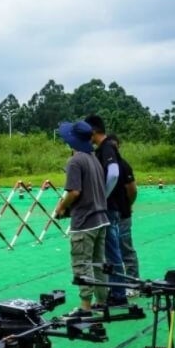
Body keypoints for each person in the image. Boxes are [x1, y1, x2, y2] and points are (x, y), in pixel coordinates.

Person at [54, 121, 110, 313]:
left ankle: (85, 306)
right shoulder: (93, 158)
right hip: (101, 218)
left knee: (82, 263)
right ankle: (102, 301)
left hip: (85, 222)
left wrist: (61, 207)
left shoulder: (75, 161)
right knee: (98, 263)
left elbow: (75, 192)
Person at [84, 115, 128, 306]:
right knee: (111, 250)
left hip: (109, 207)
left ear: (93, 131)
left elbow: (114, 173)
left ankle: (118, 294)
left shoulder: (107, 146)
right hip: (110, 206)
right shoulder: (103, 147)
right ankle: (115, 291)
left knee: (112, 250)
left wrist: (102, 195)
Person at [108, 134, 141, 297]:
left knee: (125, 248)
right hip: (108, 213)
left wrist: (128, 205)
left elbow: (133, 190)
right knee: (110, 251)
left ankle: (133, 283)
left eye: (114, 147)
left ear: (118, 147)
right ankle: (114, 284)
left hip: (123, 214)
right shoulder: (104, 165)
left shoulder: (123, 165)